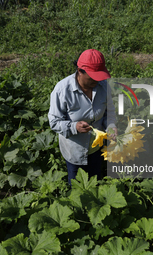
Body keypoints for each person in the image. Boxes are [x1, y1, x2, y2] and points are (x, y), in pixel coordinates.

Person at [48, 49, 117, 185]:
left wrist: (111, 126)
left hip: (96, 149)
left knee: (95, 183)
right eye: (92, 78)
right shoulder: (62, 90)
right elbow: (54, 122)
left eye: (99, 77)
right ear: (80, 71)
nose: (96, 81)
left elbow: (110, 113)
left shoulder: (104, 87)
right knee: (77, 190)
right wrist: (74, 127)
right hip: (74, 151)